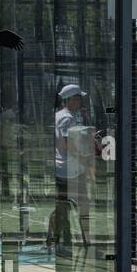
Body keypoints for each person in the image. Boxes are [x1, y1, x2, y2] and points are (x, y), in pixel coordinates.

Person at [49, 84, 95, 248]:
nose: (81, 102)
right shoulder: (67, 118)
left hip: (63, 168)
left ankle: (55, 239)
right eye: (79, 98)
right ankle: (85, 239)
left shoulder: (59, 115)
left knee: (61, 205)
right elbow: (67, 144)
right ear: (72, 100)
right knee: (83, 203)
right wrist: (85, 160)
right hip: (71, 171)